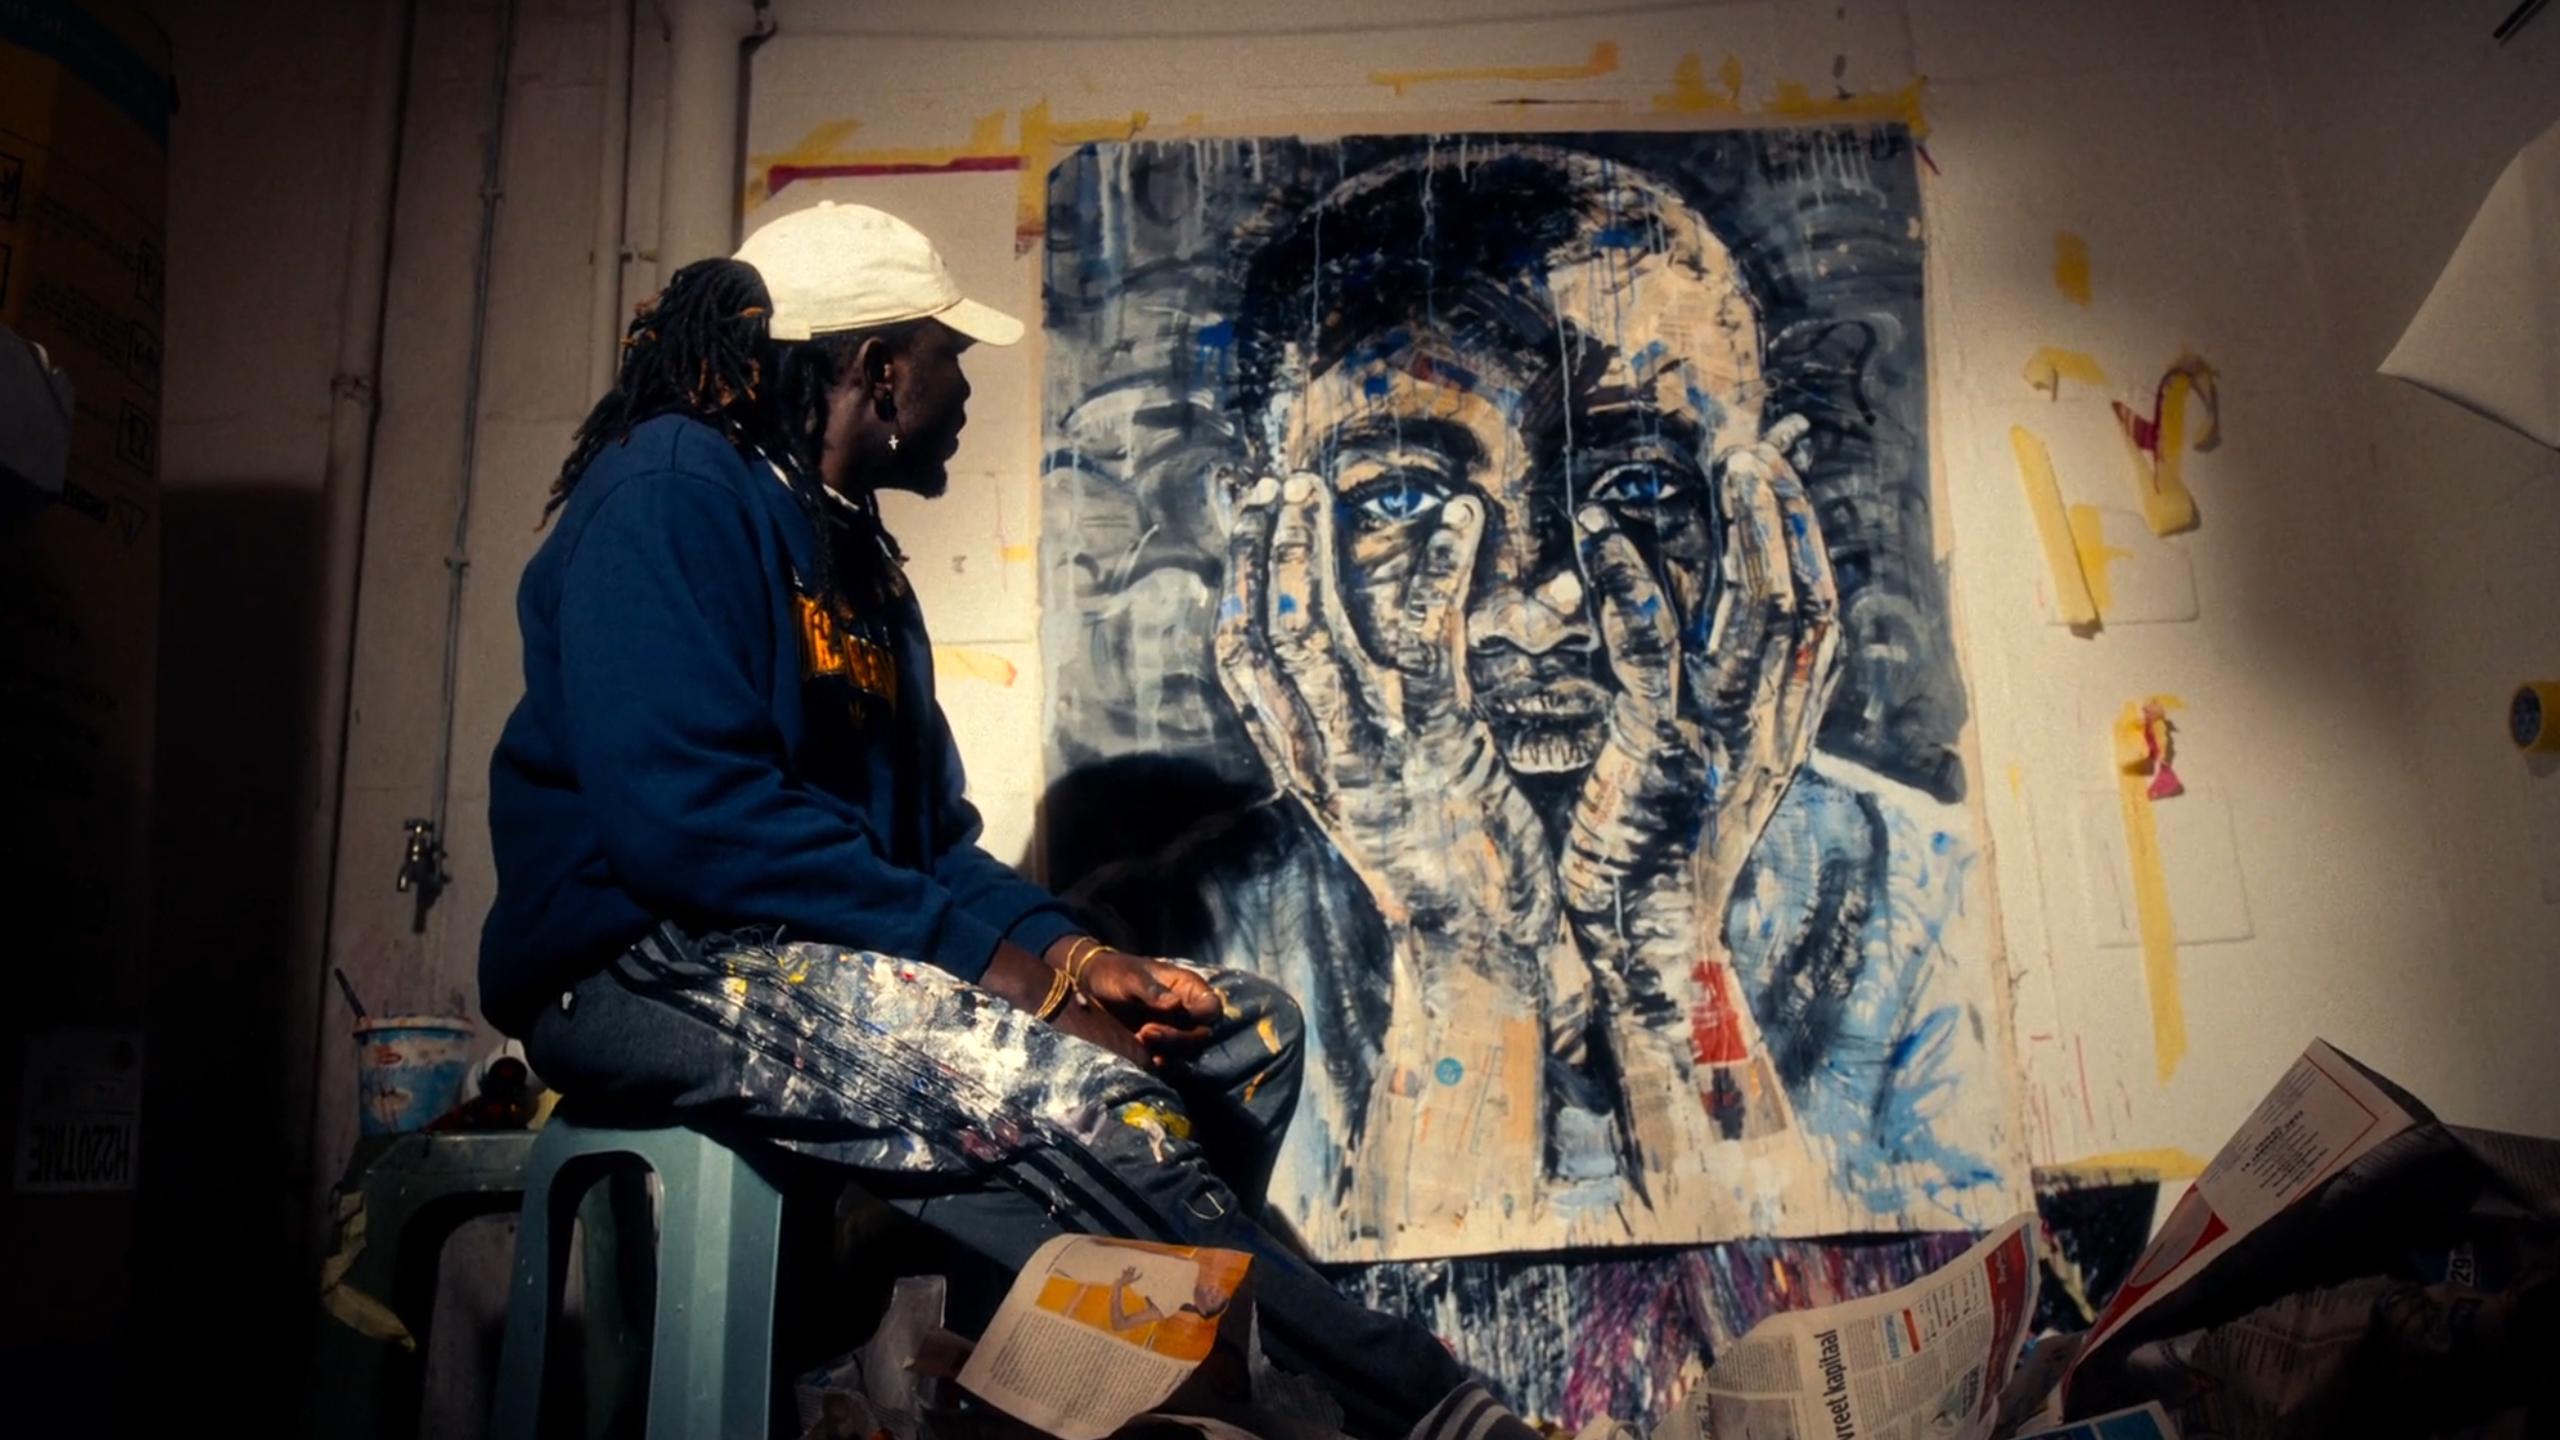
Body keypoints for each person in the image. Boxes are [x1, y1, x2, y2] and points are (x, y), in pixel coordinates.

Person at [478, 202, 1542, 1440]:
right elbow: (690, 825)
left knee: (1243, 1038)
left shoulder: (862, 566)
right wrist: (1020, 986)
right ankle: (1417, 1408)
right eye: (950, 358)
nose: (964, 389)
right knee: (1070, 1094)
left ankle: (1050, 1395)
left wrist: (1081, 956)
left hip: (803, 947)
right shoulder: (669, 489)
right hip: (642, 957)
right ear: (880, 372)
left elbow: (926, 848)